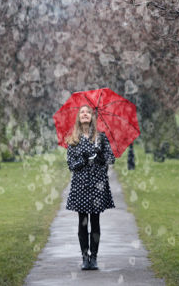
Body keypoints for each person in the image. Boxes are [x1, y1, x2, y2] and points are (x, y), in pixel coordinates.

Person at [65, 104, 116, 270]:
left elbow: (111, 159)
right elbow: (71, 165)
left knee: (95, 220)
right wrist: (84, 160)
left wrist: (100, 156)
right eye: (82, 112)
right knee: (83, 222)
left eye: (88, 112)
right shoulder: (73, 140)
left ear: (92, 117)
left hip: (97, 184)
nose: (85, 114)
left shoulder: (101, 138)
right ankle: (84, 257)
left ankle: (94, 257)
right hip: (81, 184)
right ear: (79, 118)